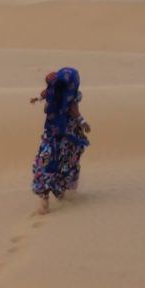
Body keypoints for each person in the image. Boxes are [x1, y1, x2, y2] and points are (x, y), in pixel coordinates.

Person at [30, 67, 91, 214]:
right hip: (66, 136)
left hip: (52, 135)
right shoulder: (69, 95)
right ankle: (63, 193)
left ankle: (46, 198)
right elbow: (74, 111)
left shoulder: (53, 93)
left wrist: (39, 98)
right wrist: (83, 123)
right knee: (67, 163)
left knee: (47, 162)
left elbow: (45, 101)